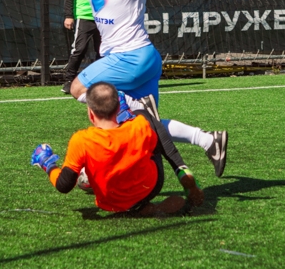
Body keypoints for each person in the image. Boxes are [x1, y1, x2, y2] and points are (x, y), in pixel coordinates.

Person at [33, 0, 228, 178]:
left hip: (131, 58)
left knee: (77, 87)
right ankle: (208, 140)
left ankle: (125, 108)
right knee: (145, 126)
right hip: (143, 60)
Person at [31, 82, 203, 216]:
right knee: (147, 119)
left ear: (90, 113)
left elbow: (64, 185)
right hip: (148, 189)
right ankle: (184, 174)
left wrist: (48, 165)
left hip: (110, 203)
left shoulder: (81, 140)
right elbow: (161, 147)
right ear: (118, 108)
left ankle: (133, 203)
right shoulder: (140, 125)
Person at [62, 0, 101, 94]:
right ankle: (69, 80)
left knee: (103, 50)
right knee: (79, 49)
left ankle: (101, 80)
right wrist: (69, 16)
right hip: (84, 17)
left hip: (103, 17)